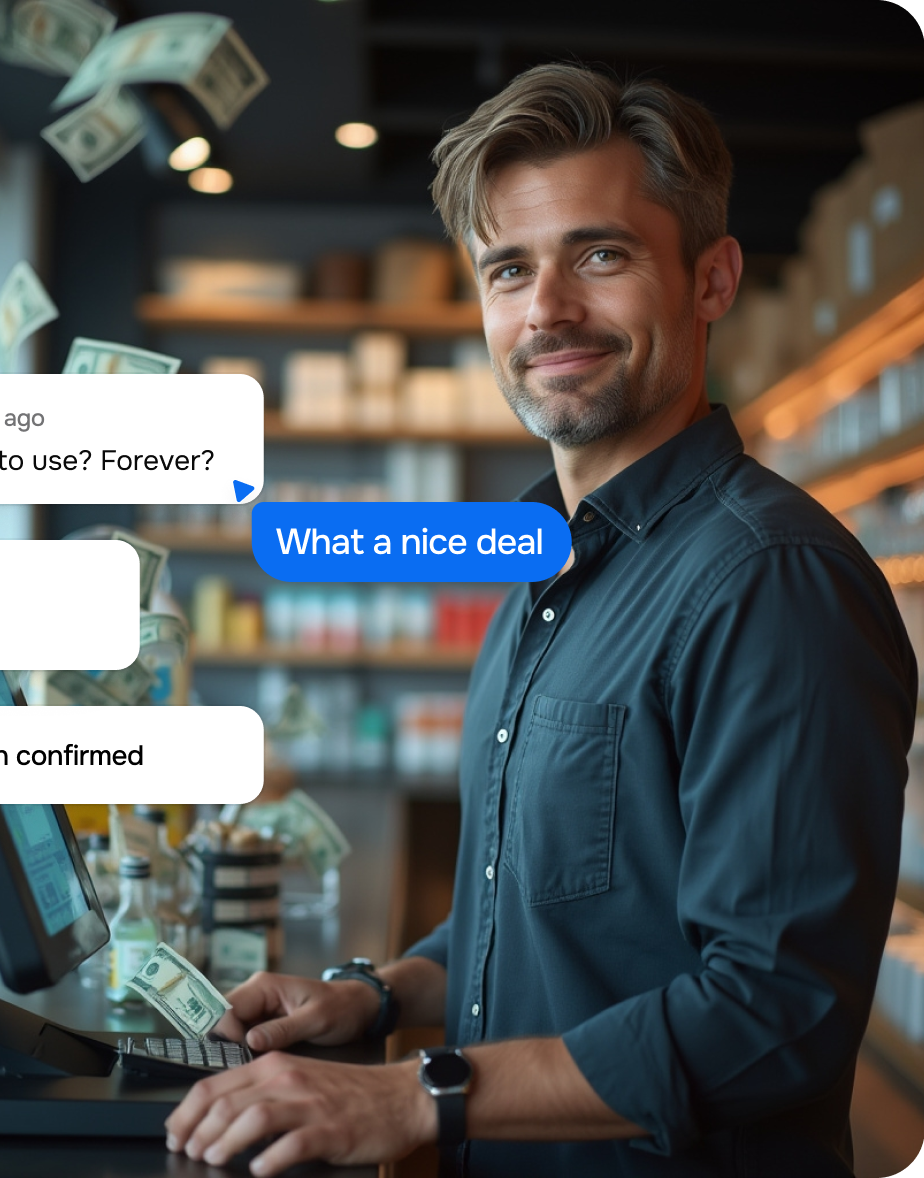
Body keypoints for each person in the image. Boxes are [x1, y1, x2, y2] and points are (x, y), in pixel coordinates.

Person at [164, 63, 918, 1178]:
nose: (547, 309)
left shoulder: (772, 578)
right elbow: (541, 912)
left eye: (599, 255)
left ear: (711, 280)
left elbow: (774, 1009)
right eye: (509, 269)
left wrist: (414, 1094)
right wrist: (377, 996)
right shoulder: (546, 569)